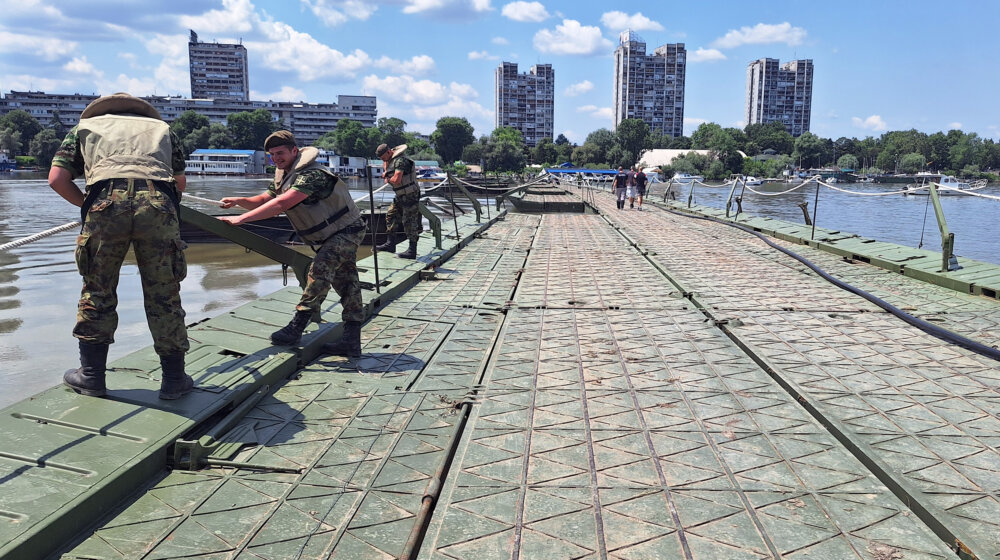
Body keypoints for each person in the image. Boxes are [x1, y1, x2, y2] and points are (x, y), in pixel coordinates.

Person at [47, 92, 194, 399]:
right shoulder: (163, 130)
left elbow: (57, 179)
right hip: (158, 203)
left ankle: (91, 376)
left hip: (104, 202)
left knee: (97, 289)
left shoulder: (85, 128)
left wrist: (89, 207)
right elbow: (179, 184)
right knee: (164, 294)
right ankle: (174, 380)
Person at [218, 131, 365, 357]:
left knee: (320, 270)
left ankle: (297, 326)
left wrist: (241, 220)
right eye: (272, 155)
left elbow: (281, 204)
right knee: (346, 282)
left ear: (295, 151)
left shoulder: (312, 174)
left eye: (280, 153)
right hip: (329, 235)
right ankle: (351, 342)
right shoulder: (285, 175)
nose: (276, 159)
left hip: (347, 230)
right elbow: (265, 200)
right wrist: (238, 202)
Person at [374, 143, 421, 259]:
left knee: (409, 222)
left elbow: (397, 179)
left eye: (383, 157)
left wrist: (387, 178)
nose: (383, 160)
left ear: (389, 152)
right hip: (400, 195)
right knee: (391, 215)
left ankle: (412, 250)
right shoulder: (390, 161)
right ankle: (390, 244)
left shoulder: (400, 161)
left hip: (410, 195)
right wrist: (386, 167)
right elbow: (387, 169)